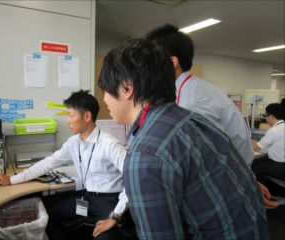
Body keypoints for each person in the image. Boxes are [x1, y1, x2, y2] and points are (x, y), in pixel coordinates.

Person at [97, 38, 268, 240]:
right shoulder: (191, 119)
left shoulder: (145, 154)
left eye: (106, 90)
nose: (105, 99)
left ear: (127, 87)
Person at [145, 23, 278, 209]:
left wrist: (248, 183)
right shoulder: (194, 89)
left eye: (151, 61)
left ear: (172, 62)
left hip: (223, 193)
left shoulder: (193, 103)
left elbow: (212, 163)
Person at [0, 90, 128, 240]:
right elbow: (48, 163)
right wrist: (11, 180)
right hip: (86, 198)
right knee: (48, 217)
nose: (68, 120)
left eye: (71, 115)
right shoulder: (73, 142)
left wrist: (115, 216)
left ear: (87, 116)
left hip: (109, 202)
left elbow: (134, 178)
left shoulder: (109, 144)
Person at [251, 103, 285, 185]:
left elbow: (257, 147)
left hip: (279, 166)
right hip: (282, 165)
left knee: (252, 166)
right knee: (260, 162)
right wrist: (257, 144)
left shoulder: (274, 131)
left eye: (265, 116)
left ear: (272, 117)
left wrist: (247, 143)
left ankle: (258, 193)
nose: (265, 119)